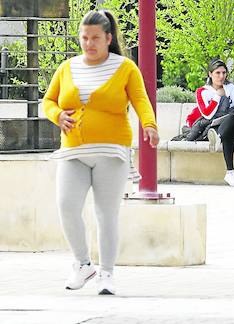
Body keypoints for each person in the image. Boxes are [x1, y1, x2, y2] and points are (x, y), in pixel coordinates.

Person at [43, 10, 159, 295]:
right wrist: (57, 115)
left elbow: (141, 100)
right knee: (66, 206)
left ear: (108, 38)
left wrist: (150, 125)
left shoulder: (125, 67)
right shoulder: (67, 67)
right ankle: (83, 264)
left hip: (111, 152)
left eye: (95, 38)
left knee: (105, 213)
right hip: (73, 151)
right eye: (84, 38)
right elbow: (47, 101)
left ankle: (106, 273)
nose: (89, 43)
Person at [196, 59, 234, 186]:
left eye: (224, 73)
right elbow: (207, 115)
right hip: (216, 127)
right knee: (230, 121)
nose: (221, 76)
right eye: (217, 73)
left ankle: (218, 137)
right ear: (210, 74)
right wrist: (218, 96)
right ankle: (230, 173)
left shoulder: (231, 87)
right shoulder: (202, 91)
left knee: (233, 117)